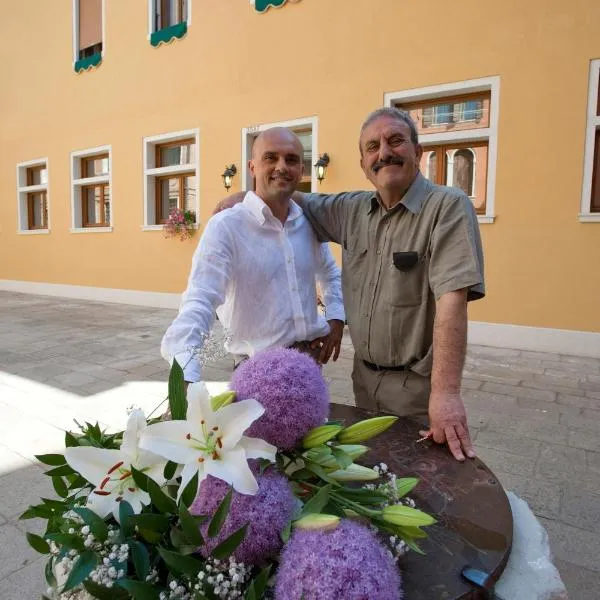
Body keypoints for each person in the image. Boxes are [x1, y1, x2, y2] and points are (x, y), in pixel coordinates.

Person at [213, 108, 485, 462]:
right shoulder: (353, 210)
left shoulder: (447, 208)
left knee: (420, 486)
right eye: (372, 146)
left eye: (396, 141)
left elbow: (453, 301)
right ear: (363, 163)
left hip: (418, 389)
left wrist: (446, 394)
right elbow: (296, 198)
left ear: (417, 153)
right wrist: (243, 200)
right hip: (365, 380)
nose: (384, 152)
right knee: (376, 475)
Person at [161, 127, 345, 384]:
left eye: (291, 159)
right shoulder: (227, 226)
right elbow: (200, 298)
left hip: (309, 366)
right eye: (270, 157)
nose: (281, 166)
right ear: (252, 167)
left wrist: (336, 318)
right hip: (256, 373)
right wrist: (185, 374)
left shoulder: (309, 223)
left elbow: (331, 274)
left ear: (301, 170)